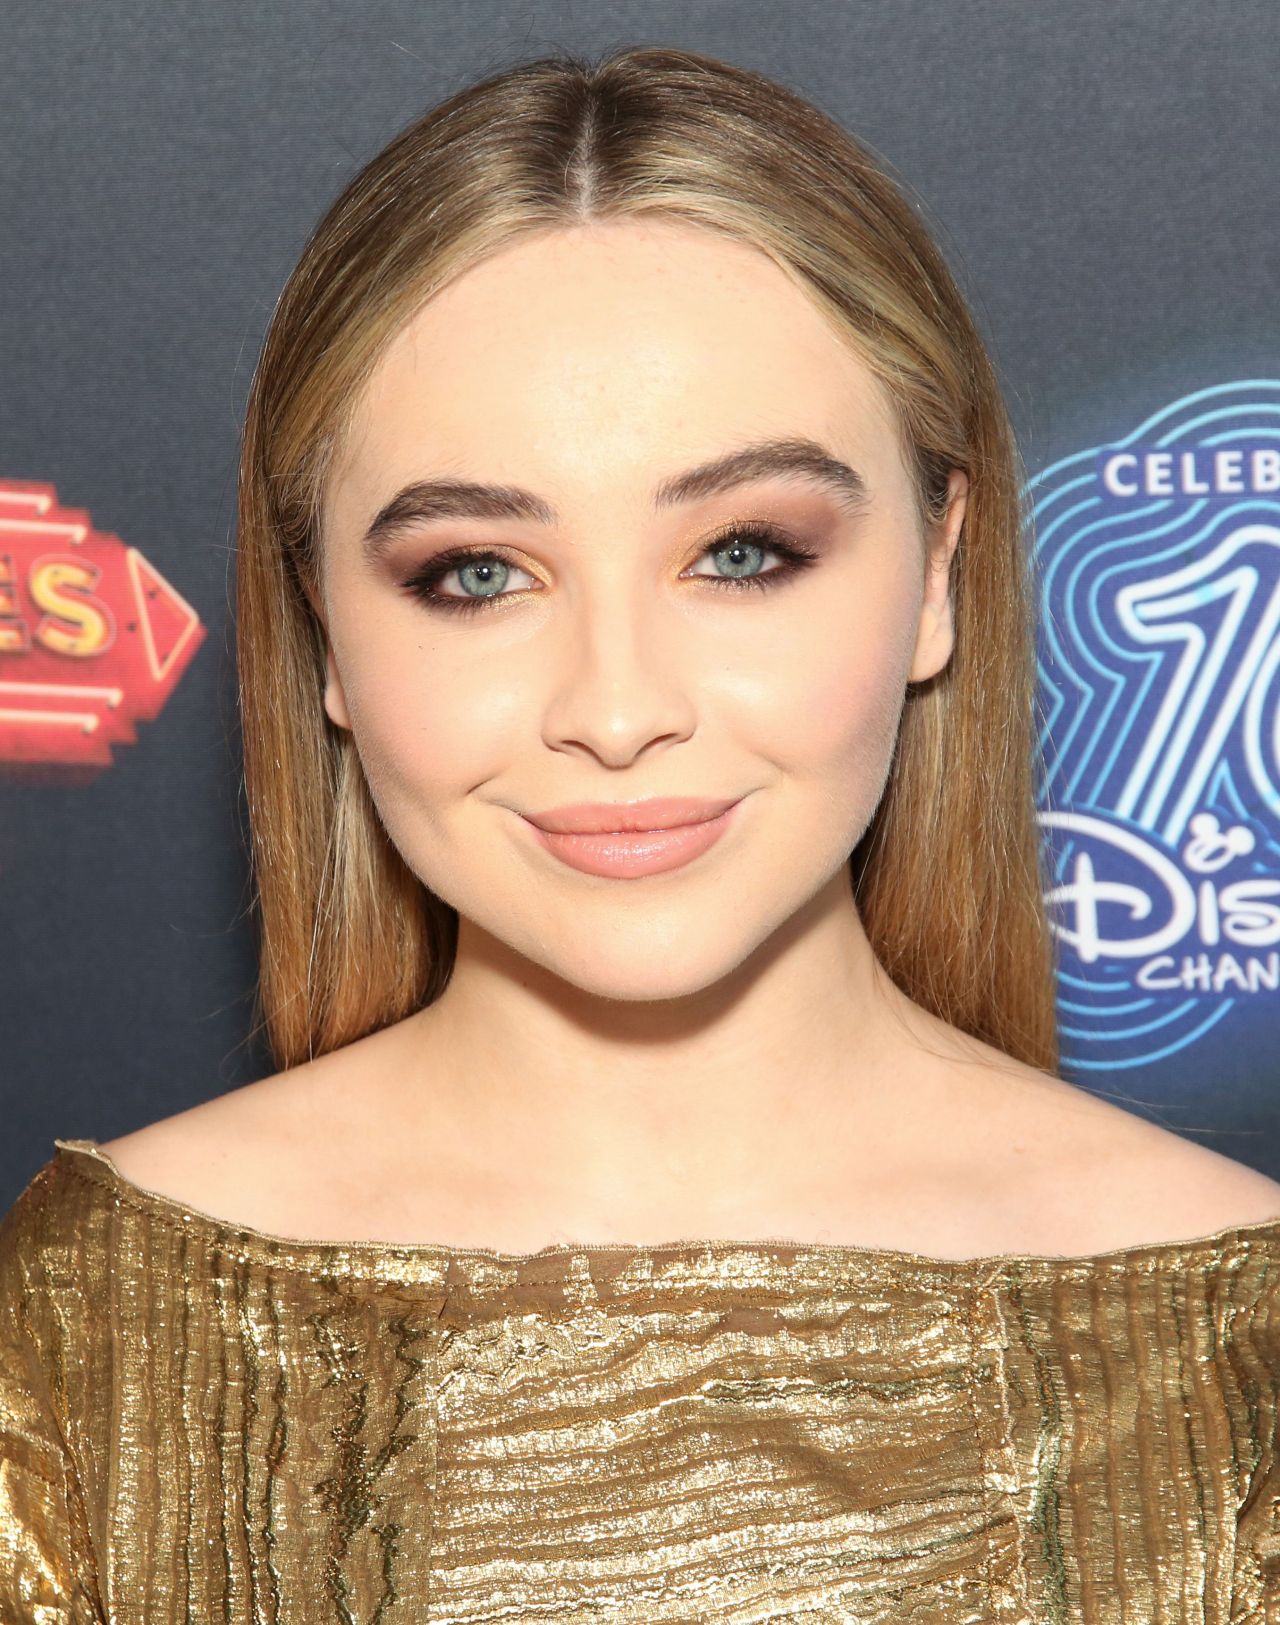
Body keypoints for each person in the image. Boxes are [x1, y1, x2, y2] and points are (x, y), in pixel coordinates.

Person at [3, 42, 1280, 1621]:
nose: (616, 709)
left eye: (742, 552)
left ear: (939, 573)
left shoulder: (1243, 1357)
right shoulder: (94, 1332)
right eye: (477, 573)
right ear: (323, 627)